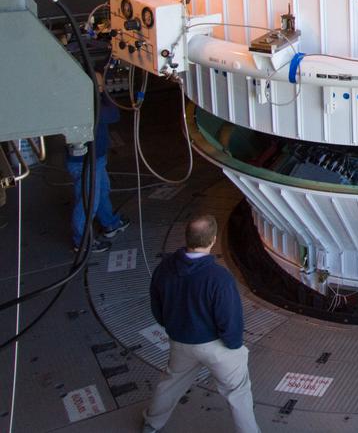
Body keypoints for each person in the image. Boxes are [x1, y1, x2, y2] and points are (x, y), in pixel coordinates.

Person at [143, 215, 259, 433]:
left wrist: (172, 327)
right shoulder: (219, 277)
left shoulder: (164, 268)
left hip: (180, 342)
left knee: (170, 384)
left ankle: (152, 424)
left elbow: (157, 307)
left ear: (187, 237)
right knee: (238, 391)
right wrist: (234, 346)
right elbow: (230, 319)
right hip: (216, 347)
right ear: (213, 240)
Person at [67, 79, 129, 253]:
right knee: (88, 202)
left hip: (96, 158)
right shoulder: (87, 105)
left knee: (101, 191)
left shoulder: (84, 100)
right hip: (86, 162)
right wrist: (104, 94)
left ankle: (110, 223)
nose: (102, 89)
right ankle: (82, 241)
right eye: (100, 85)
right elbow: (113, 114)